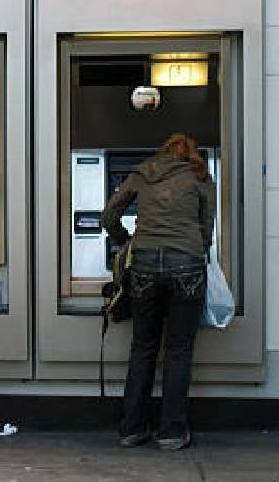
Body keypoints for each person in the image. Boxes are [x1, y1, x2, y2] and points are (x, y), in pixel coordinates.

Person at [101, 133, 216, 451]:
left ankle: (131, 429)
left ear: (162, 153)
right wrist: (197, 248)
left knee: (143, 348)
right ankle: (172, 434)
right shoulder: (200, 175)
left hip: (145, 265)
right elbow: (207, 226)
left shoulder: (143, 171)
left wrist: (125, 240)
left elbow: (108, 215)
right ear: (191, 154)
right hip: (187, 267)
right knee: (178, 351)